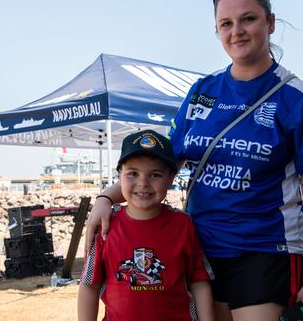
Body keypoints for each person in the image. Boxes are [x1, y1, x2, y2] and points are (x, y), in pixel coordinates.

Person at [84, 0, 303, 321]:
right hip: (199, 250)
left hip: (264, 250)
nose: (238, 31)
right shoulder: (202, 91)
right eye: (226, 24)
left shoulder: (296, 97)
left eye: (249, 19)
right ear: (217, 31)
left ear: (271, 23)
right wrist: (106, 198)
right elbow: (159, 165)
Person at [78, 130, 214, 321]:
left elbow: (198, 281)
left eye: (155, 175)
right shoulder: (105, 225)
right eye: (133, 173)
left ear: (171, 179)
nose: (143, 183)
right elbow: (89, 285)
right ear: (119, 175)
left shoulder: (183, 224)